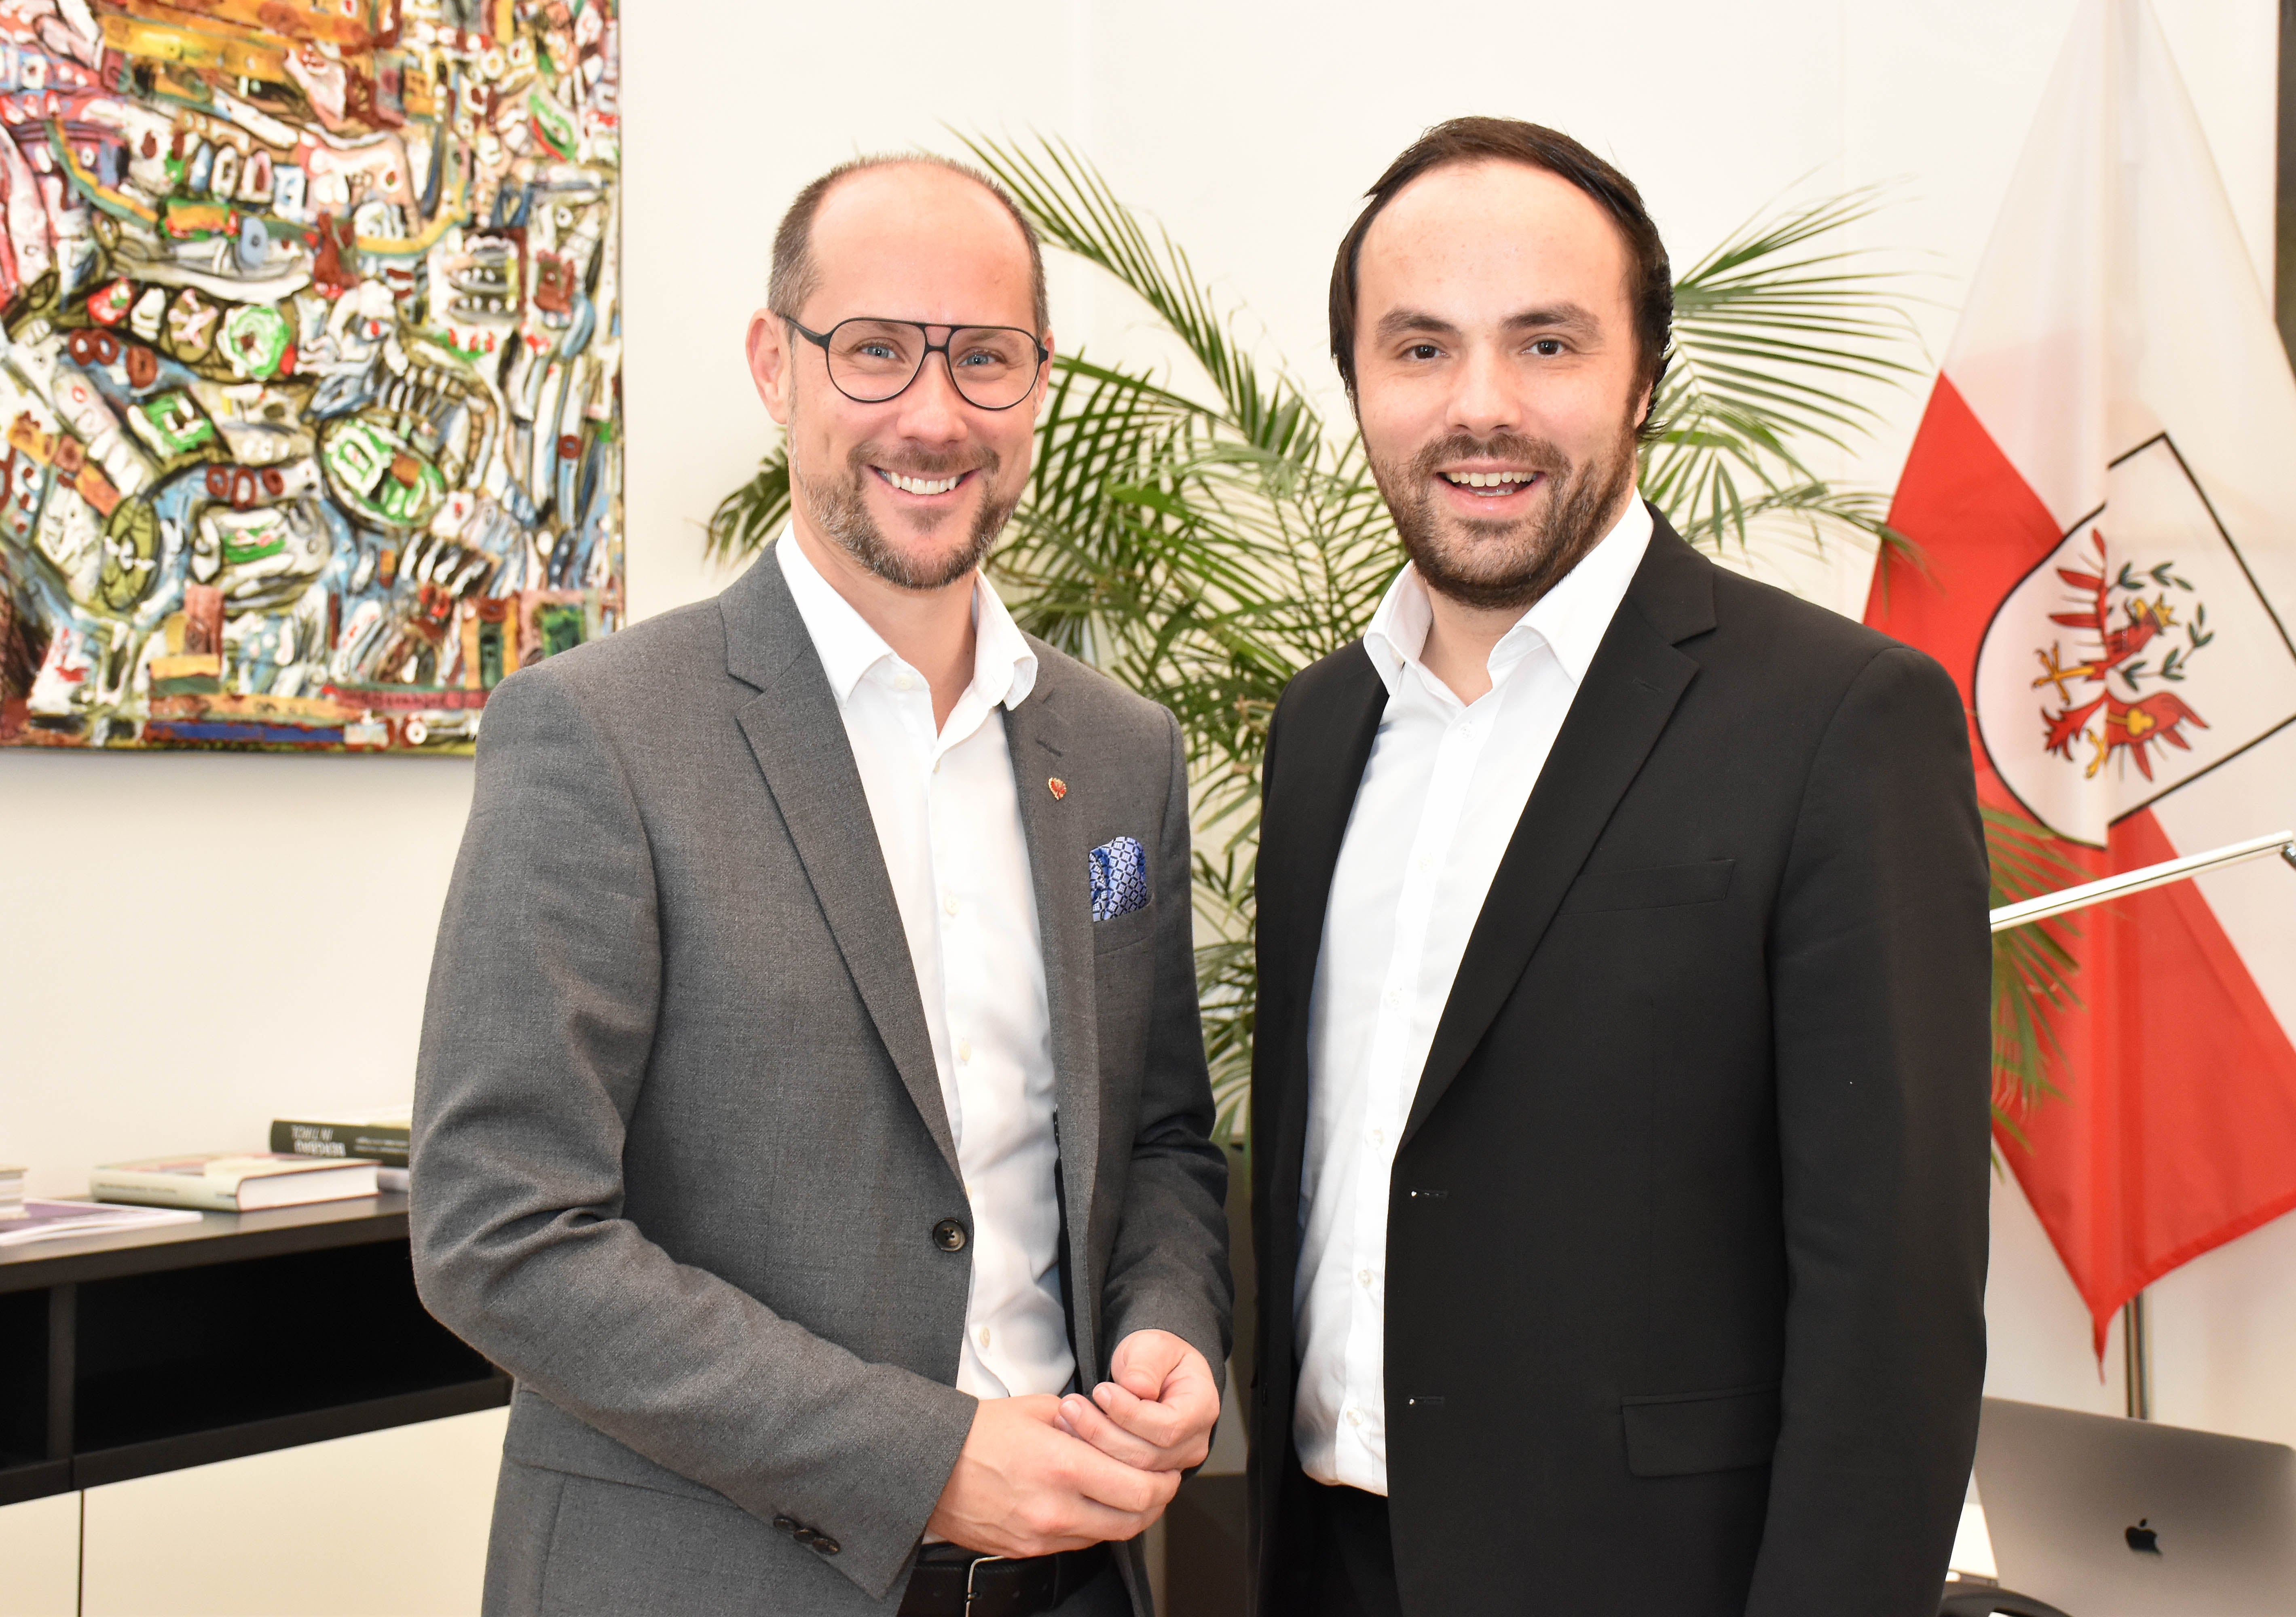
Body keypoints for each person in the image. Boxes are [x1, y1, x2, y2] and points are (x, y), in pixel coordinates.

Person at [412, 155, 1231, 1617]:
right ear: (773, 366)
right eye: (875, 350)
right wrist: (923, 1460)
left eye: (984, 357)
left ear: (1039, 383)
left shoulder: (1122, 753)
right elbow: (502, 1232)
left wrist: (1167, 1327)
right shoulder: (600, 732)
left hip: (1072, 1582)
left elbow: (1161, 1135)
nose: (934, 414)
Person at [1247, 117, 1991, 1617]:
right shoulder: (1319, 729)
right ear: (1360, 383)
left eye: (1547, 344)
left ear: (1645, 376)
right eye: (1421, 348)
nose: (1481, 407)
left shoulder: (1840, 721)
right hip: (1324, 1567)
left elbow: (1892, 1309)